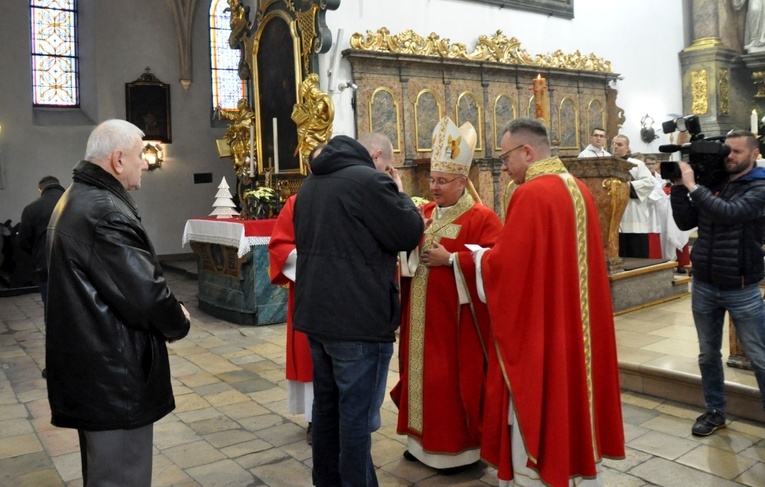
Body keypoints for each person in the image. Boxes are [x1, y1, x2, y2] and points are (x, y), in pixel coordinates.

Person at [475, 118, 625, 486]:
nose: (505, 167)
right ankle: (576, 464)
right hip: (574, 317)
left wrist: (477, 259)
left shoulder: (531, 193)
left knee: (545, 390)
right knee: (574, 388)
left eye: (506, 156)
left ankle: (543, 469)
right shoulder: (577, 188)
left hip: (544, 324)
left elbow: (507, 269)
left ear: (527, 151)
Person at [46, 119, 191, 486]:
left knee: (104, 473)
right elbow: (145, 296)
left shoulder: (78, 197)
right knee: (121, 475)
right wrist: (178, 321)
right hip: (113, 374)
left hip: (93, 367)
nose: (146, 163)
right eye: (140, 155)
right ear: (117, 160)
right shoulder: (104, 211)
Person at [293, 133, 424, 486]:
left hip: (318, 318)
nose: (389, 170)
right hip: (358, 320)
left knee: (327, 412)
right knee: (356, 419)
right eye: (389, 165)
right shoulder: (370, 182)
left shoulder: (311, 184)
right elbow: (408, 232)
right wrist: (398, 193)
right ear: (377, 156)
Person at [391, 117, 503, 473]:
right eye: (432, 180)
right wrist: (410, 249)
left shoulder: (482, 217)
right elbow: (406, 258)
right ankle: (419, 444)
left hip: (457, 327)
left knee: (449, 383)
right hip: (421, 319)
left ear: (461, 182)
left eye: (441, 181)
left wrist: (453, 260)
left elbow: (498, 264)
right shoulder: (423, 213)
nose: (434, 187)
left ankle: (455, 450)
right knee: (418, 377)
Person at [671, 129, 765, 436]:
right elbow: (686, 222)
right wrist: (677, 187)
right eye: (727, 151)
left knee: (760, 356)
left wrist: (692, 186)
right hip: (705, 285)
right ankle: (714, 411)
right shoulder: (715, 183)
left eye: (737, 152)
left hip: (741, 287)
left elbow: (730, 214)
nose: (730, 157)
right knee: (707, 353)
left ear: (754, 154)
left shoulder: (759, 186)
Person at [268, 143, 325, 445]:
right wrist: (314, 264)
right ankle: (316, 420)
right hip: (309, 292)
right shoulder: (296, 203)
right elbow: (279, 247)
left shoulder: (349, 198)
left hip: (343, 295)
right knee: (310, 356)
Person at [18, 176, 65, 316]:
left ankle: (55, 337)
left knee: (51, 311)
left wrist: (37, 253)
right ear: (59, 185)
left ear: (40, 189)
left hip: (46, 266)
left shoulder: (31, 209)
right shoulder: (75, 202)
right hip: (76, 265)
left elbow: (23, 242)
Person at [612, 134, 658, 258]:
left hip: (633, 214)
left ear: (627, 148)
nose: (616, 147)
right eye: (614, 144)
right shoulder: (607, 164)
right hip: (614, 217)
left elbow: (649, 182)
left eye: (620, 144)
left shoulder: (637, 164)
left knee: (636, 257)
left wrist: (626, 187)